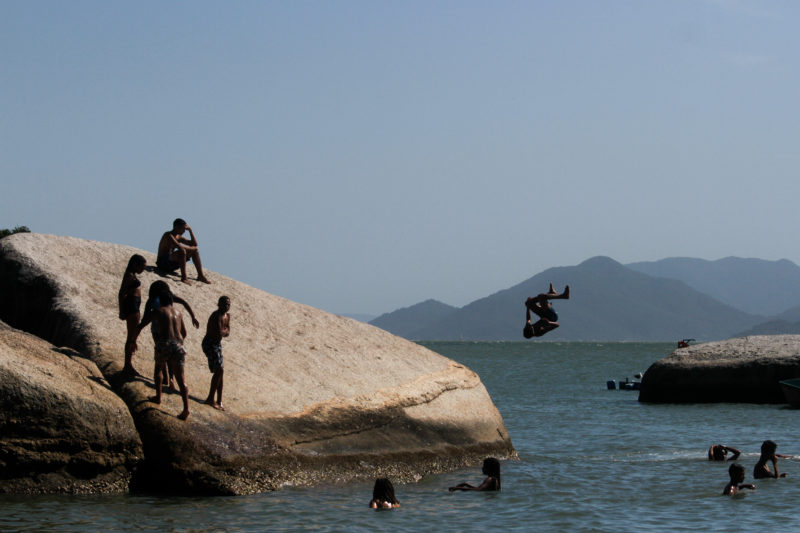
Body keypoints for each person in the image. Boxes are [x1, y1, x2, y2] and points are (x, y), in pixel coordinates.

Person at [139, 280, 200, 391]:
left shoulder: (153, 300)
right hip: (172, 334)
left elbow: (146, 317)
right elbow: (184, 303)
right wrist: (193, 316)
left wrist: (136, 332)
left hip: (157, 328)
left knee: (161, 353)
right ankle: (170, 378)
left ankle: (166, 378)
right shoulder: (168, 297)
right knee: (171, 356)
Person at [149, 289, 191, 420]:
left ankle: (158, 397)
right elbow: (184, 332)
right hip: (178, 345)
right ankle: (186, 409)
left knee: (159, 369)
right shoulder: (178, 313)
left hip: (165, 343)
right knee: (182, 379)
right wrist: (179, 343)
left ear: (160, 301)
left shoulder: (159, 311)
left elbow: (150, 325)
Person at [157, 218, 211, 285]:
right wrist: (192, 249)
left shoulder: (179, 237)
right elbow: (180, 247)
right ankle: (184, 278)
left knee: (195, 251)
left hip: (172, 264)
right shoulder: (168, 235)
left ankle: (200, 275)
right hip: (163, 263)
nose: (184, 231)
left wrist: (190, 231)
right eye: (182, 229)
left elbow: (194, 244)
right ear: (176, 227)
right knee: (182, 252)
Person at [118, 254, 146, 376]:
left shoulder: (132, 275)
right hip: (132, 307)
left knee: (132, 337)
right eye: (142, 267)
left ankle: (128, 364)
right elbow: (121, 293)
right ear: (135, 264)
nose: (143, 270)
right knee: (131, 338)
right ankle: (127, 365)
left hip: (134, 306)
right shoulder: (129, 276)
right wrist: (121, 311)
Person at [203, 296, 231, 411]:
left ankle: (219, 400)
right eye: (224, 304)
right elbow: (222, 331)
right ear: (219, 304)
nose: (226, 306)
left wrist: (224, 331)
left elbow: (227, 332)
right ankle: (210, 398)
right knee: (219, 369)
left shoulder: (227, 316)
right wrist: (224, 331)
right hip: (210, 343)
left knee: (221, 371)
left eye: (228, 304)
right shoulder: (216, 315)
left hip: (217, 344)